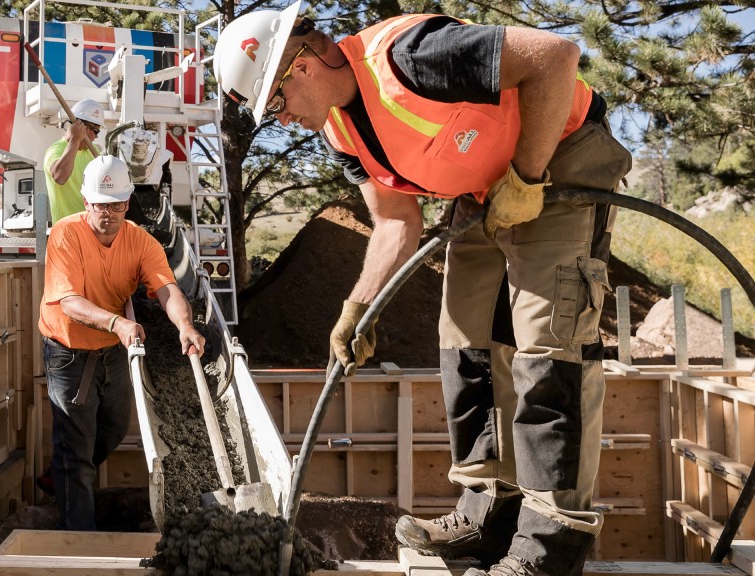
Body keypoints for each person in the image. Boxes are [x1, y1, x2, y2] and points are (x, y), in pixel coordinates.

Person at [213, 3, 631, 576]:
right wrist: (357, 306)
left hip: (556, 158)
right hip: (488, 187)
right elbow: (394, 222)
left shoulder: (414, 57)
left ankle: (551, 541)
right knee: (464, 338)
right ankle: (489, 510)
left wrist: (529, 176)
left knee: (547, 346)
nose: (281, 120)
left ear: (301, 66)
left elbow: (556, 58)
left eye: (277, 104)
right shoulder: (340, 129)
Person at [38, 153, 206, 530]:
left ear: (127, 204)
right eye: (101, 205)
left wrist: (185, 326)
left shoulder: (140, 241)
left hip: (112, 350)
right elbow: (69, 302)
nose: (108, 213)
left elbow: (167, 289)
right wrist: (116, 322)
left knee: (113, 429)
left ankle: (63, 471)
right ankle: (81, 544)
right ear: (87, 203)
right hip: (68, 351)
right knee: (78, 452)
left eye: (116, 205)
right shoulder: (66, 234)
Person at [43, 99, 104, 223]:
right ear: (84, 129)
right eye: (96, 131)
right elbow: (60, 177)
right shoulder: (55, 150)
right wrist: (75, 139)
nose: (96, 137)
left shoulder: (93, 153)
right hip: (67, 231)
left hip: (91, 230)